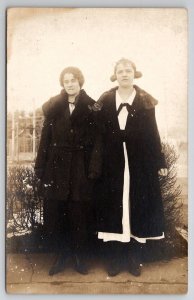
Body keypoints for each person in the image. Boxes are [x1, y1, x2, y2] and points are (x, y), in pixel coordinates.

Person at [93, 58, 168, 277]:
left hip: (140, 162)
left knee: (138, 205)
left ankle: (134, 258)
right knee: (114, 206)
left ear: (135, 74)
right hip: (112, 162)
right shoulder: (106, 99)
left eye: (128, 71)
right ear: (114, 75)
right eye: (120, 71)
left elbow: (153, 134)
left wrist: (159, 161)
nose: (124, 74)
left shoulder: (145, 100)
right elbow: (98, 132)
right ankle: (116, 258)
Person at [35, 66, 100, 276]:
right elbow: (45, 139)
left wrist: (93, 169)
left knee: (79, 213)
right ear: (62, 84)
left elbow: (98, 142)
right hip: (56, 167)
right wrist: (40, 167)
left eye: (73, 80)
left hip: (80, 168)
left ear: (80, 81)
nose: (70, 84)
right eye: (66, 81)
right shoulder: (54, 107)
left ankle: (79, 257)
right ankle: (62, 256)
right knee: (57, 213)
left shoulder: (92, 107)